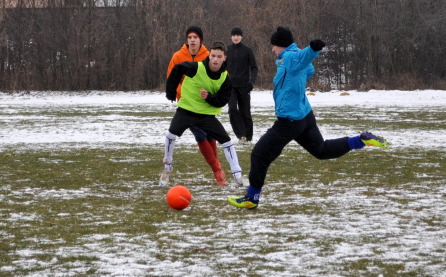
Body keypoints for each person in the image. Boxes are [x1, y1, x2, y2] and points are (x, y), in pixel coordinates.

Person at [228, 27, 390, 209]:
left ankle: (251, 198)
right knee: (321, 150)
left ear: (281, 45)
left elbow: (303, 58)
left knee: (259, 154)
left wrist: (313, 49)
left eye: (274, 46)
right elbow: (309, 68)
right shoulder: (287, 59)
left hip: (289, 120)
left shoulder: (290, 57)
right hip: (304, 116)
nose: (272, 49)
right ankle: (360, 140)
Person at [161, 41, 249, 187]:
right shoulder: (196, 68)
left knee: (227, 141)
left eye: (218, 56)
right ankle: (167, 167)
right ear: (209, 56)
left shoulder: (225, 79)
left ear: (224, 58)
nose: (215, 59)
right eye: (212, 55)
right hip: (186, 111)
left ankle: (238, 176)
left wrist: (208, 97)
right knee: (171, 134)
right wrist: (170, 92)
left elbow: (222, 101)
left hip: (206, 116)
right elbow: (177, 69)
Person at [164, 26, 226, 186]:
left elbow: (219, 77)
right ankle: (217, 170)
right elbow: (172, 76)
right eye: (190, 37)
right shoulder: (178, 56)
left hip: (206, 103)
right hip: (187, 106)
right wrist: (181, 94)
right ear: (186, 39)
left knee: (210, 136)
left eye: (195, 37)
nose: (192, 40)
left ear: (200, 40)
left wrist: (213, 96)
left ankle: (217, 166)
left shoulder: (208, 55)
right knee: (200, 134)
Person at [226, 27, 258, 144]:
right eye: (233, 35)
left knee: (245, 113)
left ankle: (248, 138)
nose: (235, 37)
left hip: (245, 86)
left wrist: (251, 82)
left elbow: (254, 68)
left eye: (238, 35)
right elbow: (221, 67)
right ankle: (241, 135)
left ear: (241, 37)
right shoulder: (227, 50)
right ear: (231, 36)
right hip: (230, 86)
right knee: (232, 109)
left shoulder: (247, 50)